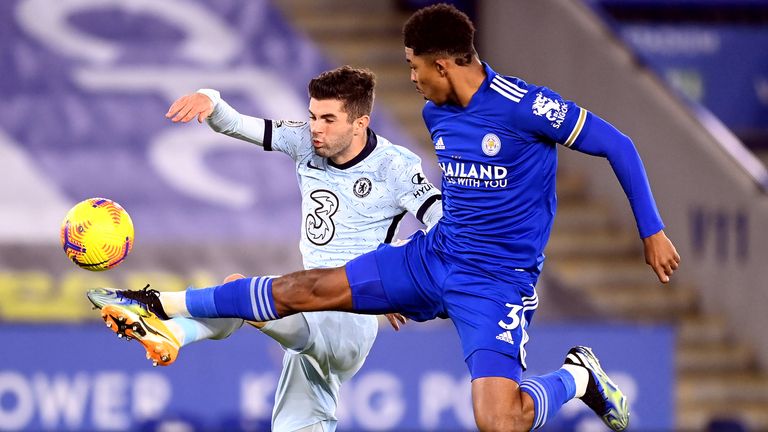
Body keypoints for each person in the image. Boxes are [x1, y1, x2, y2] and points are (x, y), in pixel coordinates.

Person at [89, 4, 681, 431]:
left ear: (445, 64)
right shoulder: (436, 113)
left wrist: (650, 229)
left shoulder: (526, 108)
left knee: (499, 421)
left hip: (495, 284)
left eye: (416, 65)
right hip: (436, 257)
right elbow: (448, 204)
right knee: (306, 289)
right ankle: (155, 302)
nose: (412, 77)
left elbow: (619, 145)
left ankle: (579, 377)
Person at [88, 65, 442, 432]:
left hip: (346, 319)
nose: (316, 128)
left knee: (242, 293)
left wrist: (397, 272)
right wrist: (210, 99)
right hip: (309, 309)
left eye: (328, 119)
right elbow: (237, 124)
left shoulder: (395, 166)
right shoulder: (305, 141)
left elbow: (444, 224)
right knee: (296, 424)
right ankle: (177, 334)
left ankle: (155, 303)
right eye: (312, 116)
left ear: (360, 122)